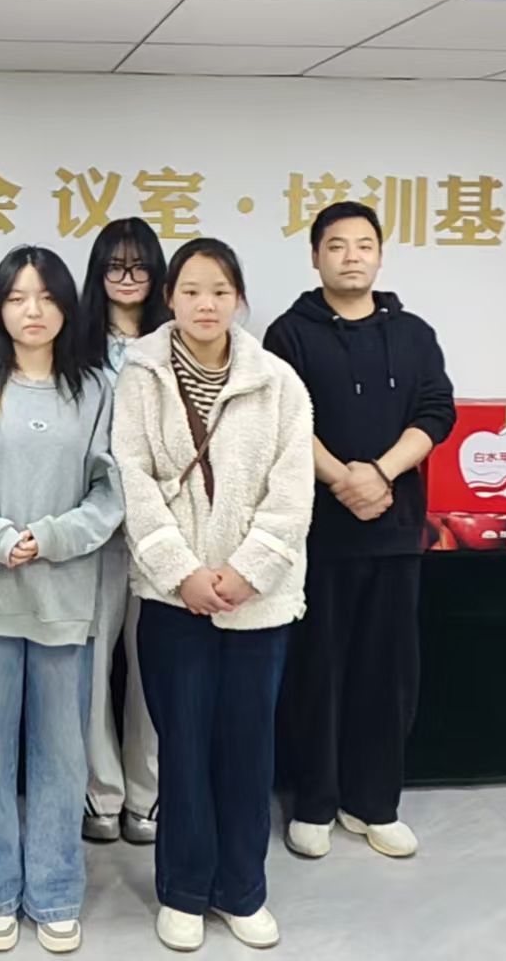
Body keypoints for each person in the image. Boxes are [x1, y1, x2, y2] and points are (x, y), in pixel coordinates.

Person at [113, 238, 313, 954]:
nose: (206, 304)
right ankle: (184, 890)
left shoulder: (279, 382)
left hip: (259, 602)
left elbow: (292, 492)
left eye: (220, 291)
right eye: (192, 290)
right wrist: (183, 572)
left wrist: (248, 570)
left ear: (239, 299)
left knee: (248, 748)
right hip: (174, 601)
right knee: (185, 746)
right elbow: (132, 480)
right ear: (169, 297)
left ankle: (242, 889)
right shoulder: (140, 376)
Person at [0, 247, 123, 955]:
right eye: (17, 297)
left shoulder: (97, 389)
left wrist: (50, 537)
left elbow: (112, 490)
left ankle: (54, 890)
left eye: (46, 296)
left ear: (68, 307)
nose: (33, 310)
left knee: (62, 752)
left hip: (65, 594)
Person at [265, 201, 455, 863]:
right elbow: (285, 420)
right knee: (317, 671)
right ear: (315, 255)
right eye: (337, 245)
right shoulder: (288, 334)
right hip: (318, 535)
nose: (351, 256)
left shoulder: (413, 333)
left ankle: (373, 802)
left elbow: (436, 412)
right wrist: (342, 480)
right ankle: (314, 802)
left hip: (395, 532)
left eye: (364, 245)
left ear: (379, 254)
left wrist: (379, 473)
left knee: (387, 673)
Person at [75, 217, 169, 847]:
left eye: (139, 266)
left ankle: (147, 792)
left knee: (151, 662)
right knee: (89, 663)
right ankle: (100, 792)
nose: (128, 277)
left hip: (161, 525)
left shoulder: (178, 340)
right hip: (92, 526)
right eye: (115, 265)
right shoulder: (74, 344)